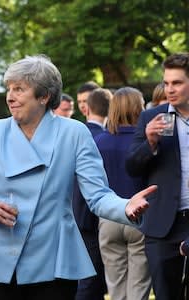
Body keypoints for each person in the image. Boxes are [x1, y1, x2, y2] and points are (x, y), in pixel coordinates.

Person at [0, 55, 156, 300]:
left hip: (51, 263)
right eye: (9, 89)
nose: (10, 96)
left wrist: (125, 206)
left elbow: (97, 196)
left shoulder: (74, 133)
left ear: (44, 97)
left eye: (19, 89)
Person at [126, 52, 189, 300]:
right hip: (162, 225)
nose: (169, 89)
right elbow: (132, 168)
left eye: (177, 83)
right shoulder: (152, 117)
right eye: (166, 83)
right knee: (165, 294)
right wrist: (150, 143)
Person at [95, 87, 151, 300]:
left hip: (108, 216)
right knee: (139, 287)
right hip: (140, 215)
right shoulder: (145, 142)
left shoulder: (100, 141)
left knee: (116, 287)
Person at [72, 87, 112, 300]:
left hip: (75, 211)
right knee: (89, 278)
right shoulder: (99, 137)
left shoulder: (76, 134)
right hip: (92, 215)